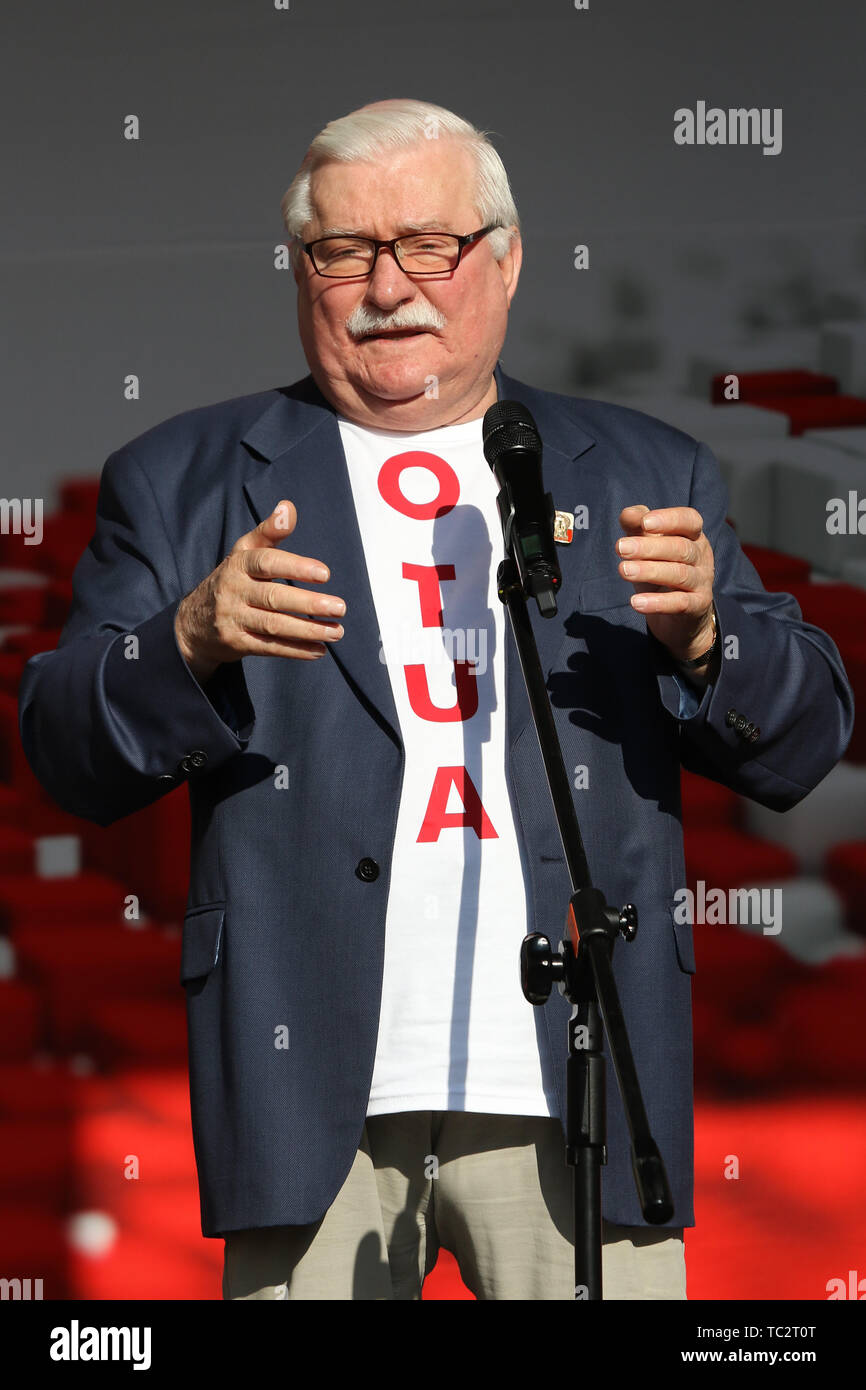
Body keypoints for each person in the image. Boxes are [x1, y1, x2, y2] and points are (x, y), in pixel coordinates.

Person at [18, 98, 853, 1301]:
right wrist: (186, 642)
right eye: (342, 250)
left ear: (504, 261)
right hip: (308, 1092)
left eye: (426, 245)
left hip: (579, 1082)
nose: (384, 285)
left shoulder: (637, 469)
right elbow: (61, 748)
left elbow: (806, 730)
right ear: (301, 272)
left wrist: (708, 640)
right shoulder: (183, 479)